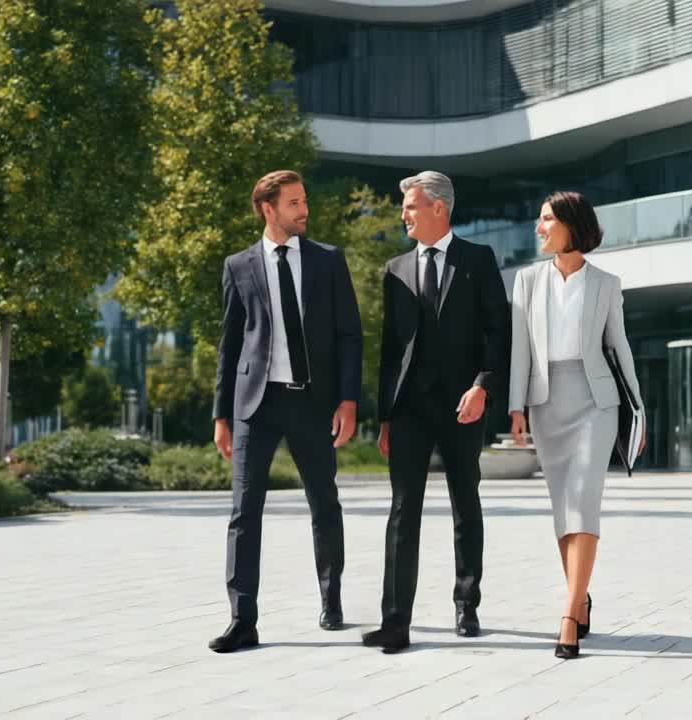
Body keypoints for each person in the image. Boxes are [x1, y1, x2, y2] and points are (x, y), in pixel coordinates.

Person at [208, 170, 363, 653]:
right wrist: (221, 414)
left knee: (324, 502)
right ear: (267, 208)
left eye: (304, 202)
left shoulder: (327, 261)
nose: (303, 210)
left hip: (312, 401)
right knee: (243, 511)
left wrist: (348, 399)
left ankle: (331, 599)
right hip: (255, 403)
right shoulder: (239, 265)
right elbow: (229, 344)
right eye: (293, 203)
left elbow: (348, 334)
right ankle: (242, 620)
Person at [362, 171, 510, 654]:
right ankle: (395, 621)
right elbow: (389, 350)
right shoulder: (395, 268)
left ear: (438, 208)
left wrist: (483, 387)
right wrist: (384, 416)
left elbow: (497, 332)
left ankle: (467, 603)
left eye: (410, 206)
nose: (403, 214)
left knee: (465, 502)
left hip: (461, 404)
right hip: (408, 408)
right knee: (403, 511)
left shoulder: (478, 260)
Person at [507, 191, 645, 659]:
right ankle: (580, 596)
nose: (538, 227)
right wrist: (516, 407)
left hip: (596, 401)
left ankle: (568, 614)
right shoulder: (526, 281)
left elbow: (620, 347)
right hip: (546, 403)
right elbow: (519, 350)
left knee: (584, 498)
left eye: (546, 219)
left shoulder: (607, 283)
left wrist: (638, 412)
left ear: (571, 224)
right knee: (562, 507)